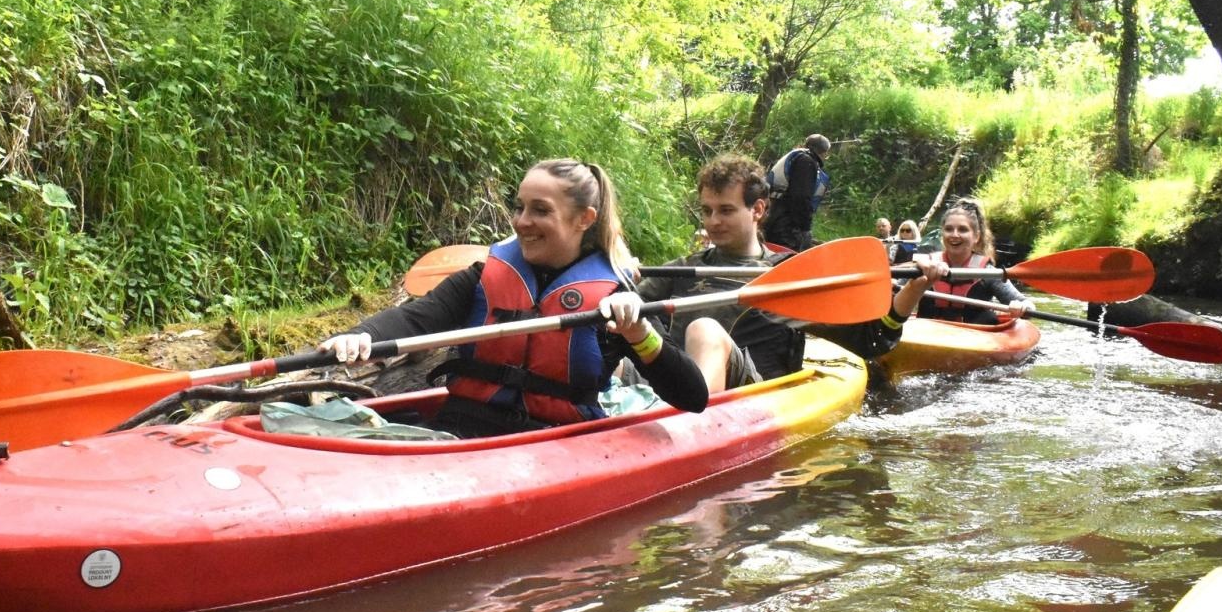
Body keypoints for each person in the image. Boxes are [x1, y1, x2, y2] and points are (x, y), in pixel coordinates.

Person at [319, 159, 709, 438]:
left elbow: (693, 396)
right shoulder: (483, 276)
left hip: (556, 441)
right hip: (463, 424)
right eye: (519, 207)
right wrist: (361, 334)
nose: (521, 221)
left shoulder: (613, 297)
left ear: (584, 219)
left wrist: (639, 333)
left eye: (540, 210)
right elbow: (416, 318)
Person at [637, 154, 945, 395]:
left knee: (704, 330)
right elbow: (628, 305)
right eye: (707, 211)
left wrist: (915, 288)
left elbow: (871, 338)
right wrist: (622, 279)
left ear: (758, 210)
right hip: (674, 386)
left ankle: (691, 419)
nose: (713, 221)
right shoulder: (683, 268)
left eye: (726, 210)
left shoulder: (791, 276)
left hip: (751, 393)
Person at [914, 198, 1031, 324]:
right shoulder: (926, 265)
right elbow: (898, 291)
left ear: (976, 236)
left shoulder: (987, 273)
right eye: (948, 229)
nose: (954, 235)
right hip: (928, 332)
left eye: (962, 230)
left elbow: (1027, 304)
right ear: (942, 234)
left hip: (973, 334)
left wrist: (1022, 307)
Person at [762, 133, 830, 251]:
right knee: (787, 257)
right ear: (823, 152)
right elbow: (801, 198)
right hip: (785, 223)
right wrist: (805, 229)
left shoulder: (796, 157)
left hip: (772, 213)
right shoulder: (806, 162)